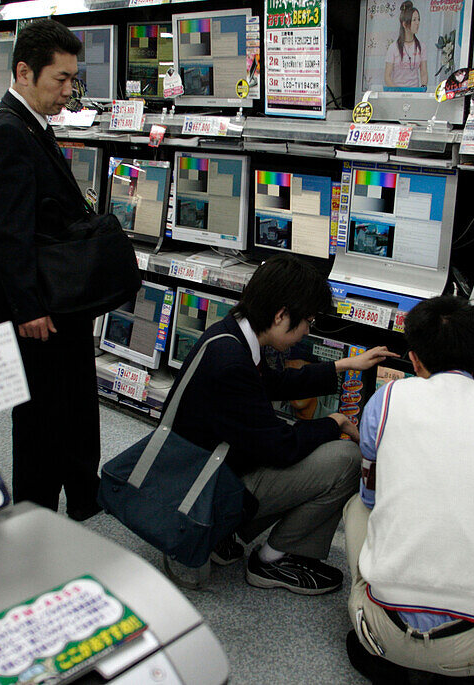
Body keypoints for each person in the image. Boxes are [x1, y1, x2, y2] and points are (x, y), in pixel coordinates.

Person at [344, 296, 474, 685]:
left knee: (358, 509)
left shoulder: (387, 400)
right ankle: (469, 661)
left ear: (413, 359)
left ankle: (393, 655)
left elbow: (372, 497)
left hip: (380, 633)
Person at [168, 254, 396, 594]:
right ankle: (274, 560)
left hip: (200, 476)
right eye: (307, 321)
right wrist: (335, 423)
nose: (307, 330)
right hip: (206, 496)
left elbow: (272, 384)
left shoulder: (230, 335)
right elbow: (282, 448)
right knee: (345, 461)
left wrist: (345, 364)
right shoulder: (232, 364)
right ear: (280, 315)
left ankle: (225, 538)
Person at [0, 19, 105, 519]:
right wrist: (28, 307)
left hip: (56, 301)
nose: (68, 91)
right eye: (61, 80)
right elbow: (7, 232)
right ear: (24, 72)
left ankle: (82, 499)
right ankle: (36, 514)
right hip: (37, 311)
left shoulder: (29, 122)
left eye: (73, 80)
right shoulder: (7, 130)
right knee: (42, 419)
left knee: (70, 405)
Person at [384, 1, 428, 91]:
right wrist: (396, 91)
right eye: (414, 20)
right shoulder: (393, 47)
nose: (417, 23)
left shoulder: (421, 47)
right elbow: (387, 76)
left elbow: (423, 72)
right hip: (397, 93)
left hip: (415, 93)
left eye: (418, 19)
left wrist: (423, 87)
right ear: (404, 24)